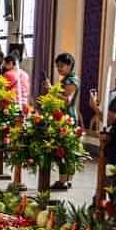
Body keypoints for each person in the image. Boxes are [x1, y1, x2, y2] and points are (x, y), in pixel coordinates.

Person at [44, 52, 81, 189]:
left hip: (66, 118)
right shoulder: (67, 78)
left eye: (61, 66)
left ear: (70, 65)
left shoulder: (71, 80)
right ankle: (67, 180)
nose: (59, 69)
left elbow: (67, 100)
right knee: (67, 149)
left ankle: (63, 180)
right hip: (64, 116)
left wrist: (51, 91)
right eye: (57, 66)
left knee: (63, 150)